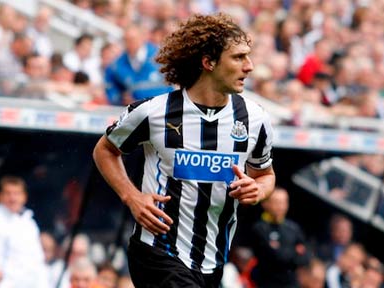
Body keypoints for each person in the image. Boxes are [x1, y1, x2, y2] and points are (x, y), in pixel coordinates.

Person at [93, 13, 275, 288]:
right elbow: (105, 150)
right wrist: (132, 197)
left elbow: (265, 175)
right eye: (238, 57)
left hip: (212, 262)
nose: (249, 67)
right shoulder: (154, 112)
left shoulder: (255, 119)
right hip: (157, 251)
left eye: (248, 57)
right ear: (208, 62)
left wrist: (259, 189)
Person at [0, 176, 49, 288]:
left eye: (17, 193)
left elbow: (38, 261)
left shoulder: (29, 223)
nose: (13, 198)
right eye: (8, 193)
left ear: (24, 197)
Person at [250, 187, 310, 287]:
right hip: (267, 283)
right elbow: (277, 256)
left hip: (290, 283)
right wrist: (294, 251)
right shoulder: (260, 227)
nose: (281, 207)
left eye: (284, 202)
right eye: (277, 202)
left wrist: (283, 250)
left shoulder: (293, 228)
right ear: (265, 204)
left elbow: (305, 257)